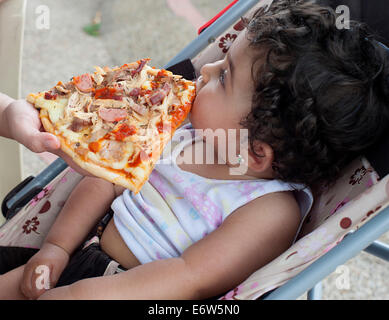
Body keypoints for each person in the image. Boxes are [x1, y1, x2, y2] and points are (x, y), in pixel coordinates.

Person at [1, 0, 389, 299]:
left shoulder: (270, 209)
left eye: (223, 76)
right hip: (80, 251)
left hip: (135, 292)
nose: (204, 71)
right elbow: (105, 184)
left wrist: (87, 293)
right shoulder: (183, 133)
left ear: (255, 151)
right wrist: (56, 247)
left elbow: (191, 277)